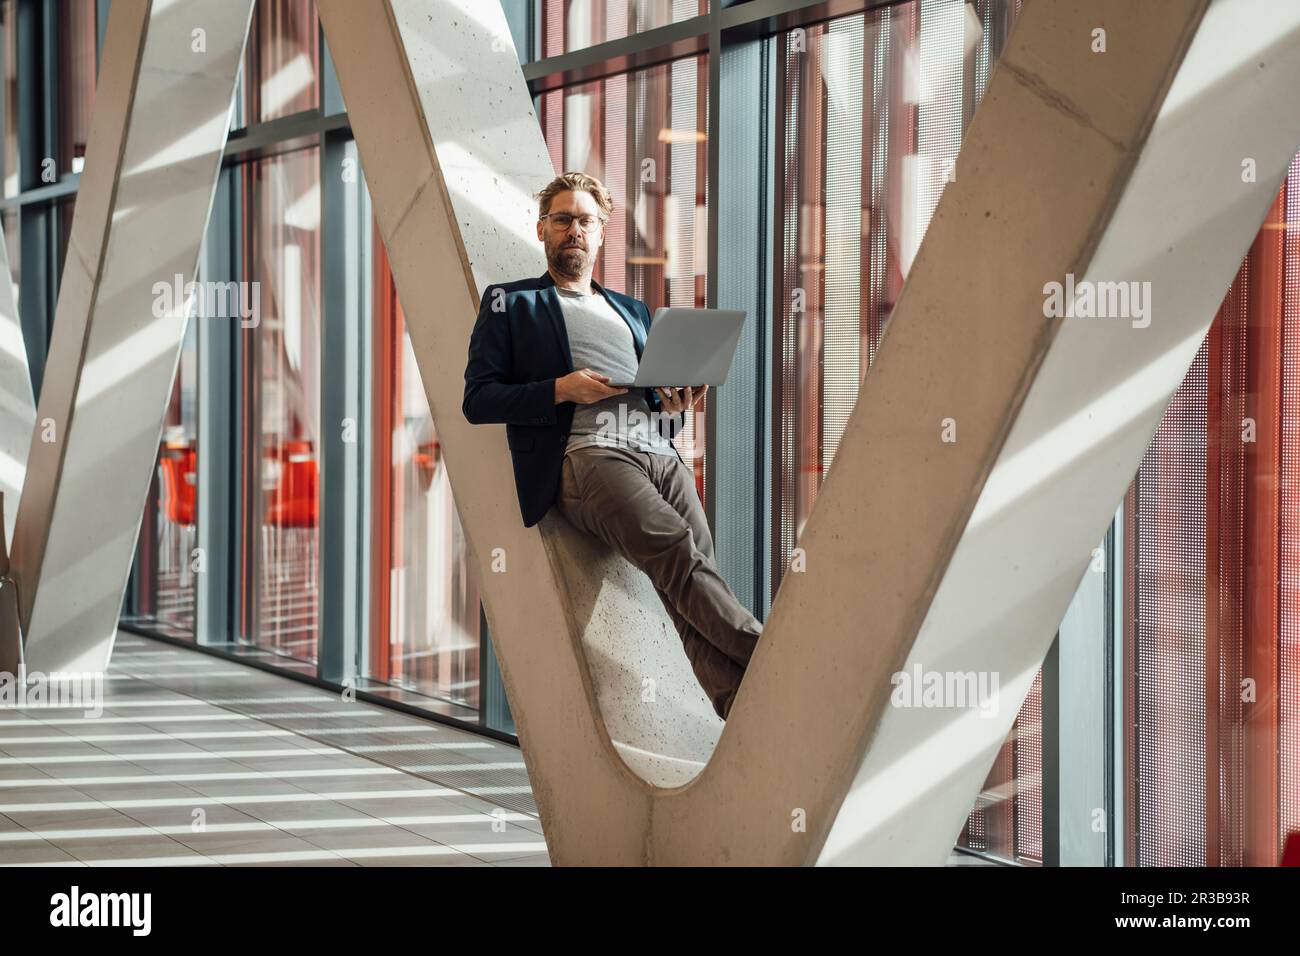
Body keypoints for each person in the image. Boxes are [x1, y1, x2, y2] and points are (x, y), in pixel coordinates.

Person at [462, 171, 762, 719]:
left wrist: (673, 411)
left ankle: (745, 706)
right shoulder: (512, 303)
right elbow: (478, 400)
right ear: (542, 230)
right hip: (588, 457)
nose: (574, 229)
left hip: (659, 453)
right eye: (562, 219)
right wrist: (561, 389)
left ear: (602, 234)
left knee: (691, 572)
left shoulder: (634, 310)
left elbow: (653, 400)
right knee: (675, 551)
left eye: (585, 221)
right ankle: (767, 655)